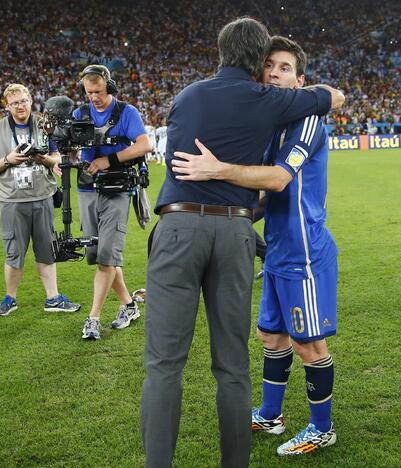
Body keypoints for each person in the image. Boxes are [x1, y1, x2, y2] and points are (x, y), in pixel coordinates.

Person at [140, 17, 343, 468]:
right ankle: (261, 429)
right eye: (269, 64)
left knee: (166, 363)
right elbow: (331, 97)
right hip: (244, 235)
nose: (274, 74)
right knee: (252, 348)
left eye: (285, 68)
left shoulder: (191, 96)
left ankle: (320, 426)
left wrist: (218, 171)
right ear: (256, 64)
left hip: (267, 240)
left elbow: (274, 178)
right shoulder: (267, 107)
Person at [0, 83, 81, 316]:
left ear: (31, 100)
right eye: (15, 103)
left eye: (23, 101)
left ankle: (53, 298)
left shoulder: (44, 124)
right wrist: (8, 160)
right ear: (7, 106)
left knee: (47, 250)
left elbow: (57, 158)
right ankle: (10, 298)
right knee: (14, 252)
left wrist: (42, 158)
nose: (20, 106)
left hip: (42, 197)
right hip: (12, 200)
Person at [73, 64, 152, 339]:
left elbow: (144, 145)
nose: (93, 97)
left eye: (97, 91)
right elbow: (63, 147)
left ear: (110, 86)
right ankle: (129, 305)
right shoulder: (79, 113)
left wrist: (109, 159)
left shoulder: (126, 112)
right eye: (88, 92)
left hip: (116, 188)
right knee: (98, 255)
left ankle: (93, 318)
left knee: (107, 255)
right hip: (86, 190)